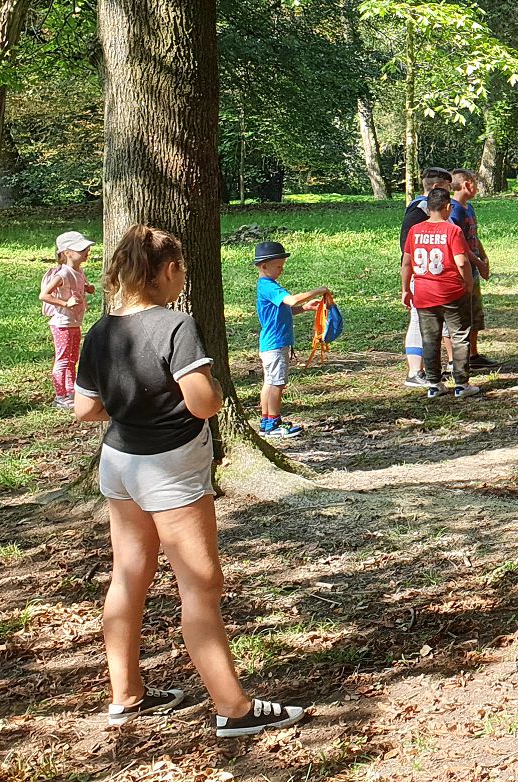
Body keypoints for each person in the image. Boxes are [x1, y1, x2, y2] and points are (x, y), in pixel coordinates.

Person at [73, 224, 306, 737]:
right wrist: (217, 391)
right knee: (201, 585)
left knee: (128, 576)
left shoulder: (101, 330)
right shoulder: (175, 325)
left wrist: (131, 407)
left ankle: (126, 695)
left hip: (119, 462)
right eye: (181, 271)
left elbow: (85, 409)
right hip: (170, 467)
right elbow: (202, 402)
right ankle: (234, 709)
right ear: (170, 270)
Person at [402, 189, 484, 401]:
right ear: (448, 207)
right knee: (460, 336)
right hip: (451, 293)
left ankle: (434, 384)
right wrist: (468, 284)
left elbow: (407, 262)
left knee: (430, 339)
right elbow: (462, 261)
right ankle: (461, 384)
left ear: (428, 207)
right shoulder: (452, 230)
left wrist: (405, 289)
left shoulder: (415, 230)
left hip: (423, 294)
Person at [252, 241, 330, 437]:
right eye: (279, 266)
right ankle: (274, 423)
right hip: (276, 343)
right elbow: (292, 300)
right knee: (277, 383)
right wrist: (318, 291)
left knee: (269, 382)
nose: (282, 270)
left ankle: (266, 422)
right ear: (264, 266)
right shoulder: (269, 287)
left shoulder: (266, 286)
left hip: (270, 343)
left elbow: (285, 309)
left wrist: (305, 308)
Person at [400, 167, 453, 388]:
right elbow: (407, 248)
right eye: (448, 188)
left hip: (437, 276)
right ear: (436, 187)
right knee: (417, 320)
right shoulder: (419, 209)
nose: (449, 193)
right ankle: (415, 371)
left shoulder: (425, 209)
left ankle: (437, 367)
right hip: (423, 276)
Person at [41, 230, 98, 411]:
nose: (87, 252)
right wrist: (65, 303)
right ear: (67, 253)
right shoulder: (63, 274)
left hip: (74, 322)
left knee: (73, 358)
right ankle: (60, 396)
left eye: (86, 249)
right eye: (81, 249)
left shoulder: (79, 272)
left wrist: (88, 289)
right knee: (63, 359)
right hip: (62, 323)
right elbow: (44, 295)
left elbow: (81, 287)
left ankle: (71, 391)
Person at [449, 170, 494, 369]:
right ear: (467, 184)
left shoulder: (469, 207)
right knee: (462, 315)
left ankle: (473, 355)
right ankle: (458, 358)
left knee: (476, 313)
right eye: (475, 183)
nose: (477, 187)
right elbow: (459, 244)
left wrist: (484, 257)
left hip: (474, 267)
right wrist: (478, 262)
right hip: (463, 271)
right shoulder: (454, 211)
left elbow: (475, 236)